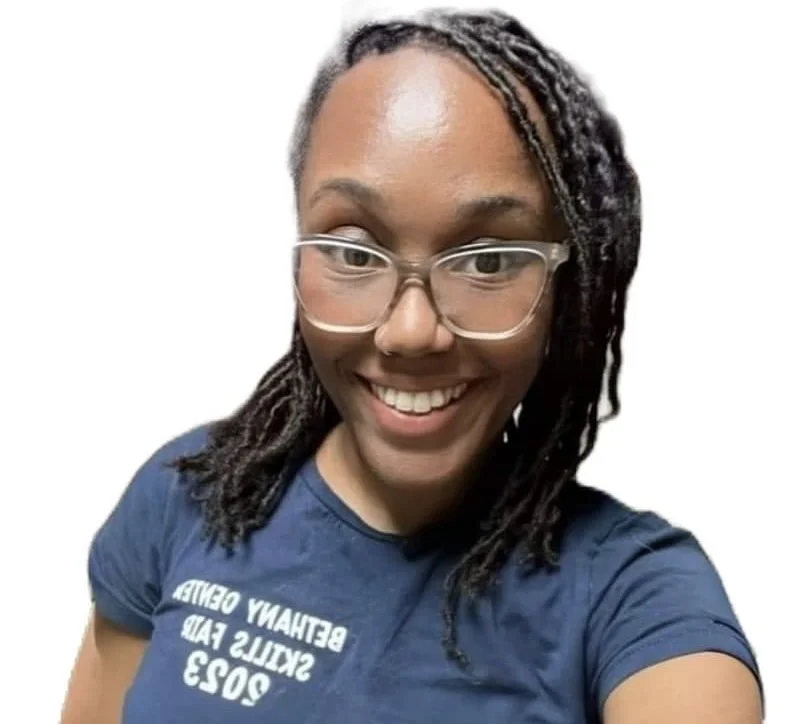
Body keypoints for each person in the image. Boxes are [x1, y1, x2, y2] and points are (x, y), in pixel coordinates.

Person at [60, 8, 764, 724]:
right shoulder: (188, 495)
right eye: (353, 250)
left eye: (488, 260)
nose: (410, 331)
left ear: (570, 291)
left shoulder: (634, 597)